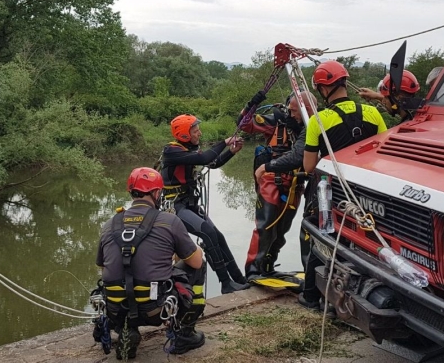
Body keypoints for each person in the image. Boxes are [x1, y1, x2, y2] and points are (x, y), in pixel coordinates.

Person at [299, 60, 388, 311]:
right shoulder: (373, 113)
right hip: (366, 192)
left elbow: (308, 166)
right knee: (365, 242)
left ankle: (311, 296)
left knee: (321, 239)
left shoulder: (319, 120)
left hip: (331, 192)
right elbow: (382, 153)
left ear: (323, 88)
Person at [96, 167, 207, 359]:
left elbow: (102, 266)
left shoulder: (110, 224)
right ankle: (184, 335)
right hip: (155, 310)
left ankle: (126, 330)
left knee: (119, 276)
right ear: (157, 193)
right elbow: (195, 263)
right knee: (200, 264)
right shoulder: (169, 221)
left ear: (131, 192)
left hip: (116, 310)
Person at [159, 114, 251, 294]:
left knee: (218, 236)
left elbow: (212, 163)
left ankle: (239, 278)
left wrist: (231, 152)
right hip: (175, 207)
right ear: (184, 134)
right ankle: (226, 284)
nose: (199, 133)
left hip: (188, 204)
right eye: (195, 131)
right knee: (208, 233)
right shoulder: (172, 151)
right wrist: (225, 142)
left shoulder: (189, 150)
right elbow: (203, 159)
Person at [239, 89, 319, 286]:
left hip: (295, 184)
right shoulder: (277, 121)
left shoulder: (313, 126)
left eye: (295, 111)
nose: (291, 115)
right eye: (290, 110)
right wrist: (253, 102)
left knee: (282, 229)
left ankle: (268, 266)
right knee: (265, 227)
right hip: (271, 181)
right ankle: (253, 270)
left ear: (307, 110)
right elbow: (244, 124)